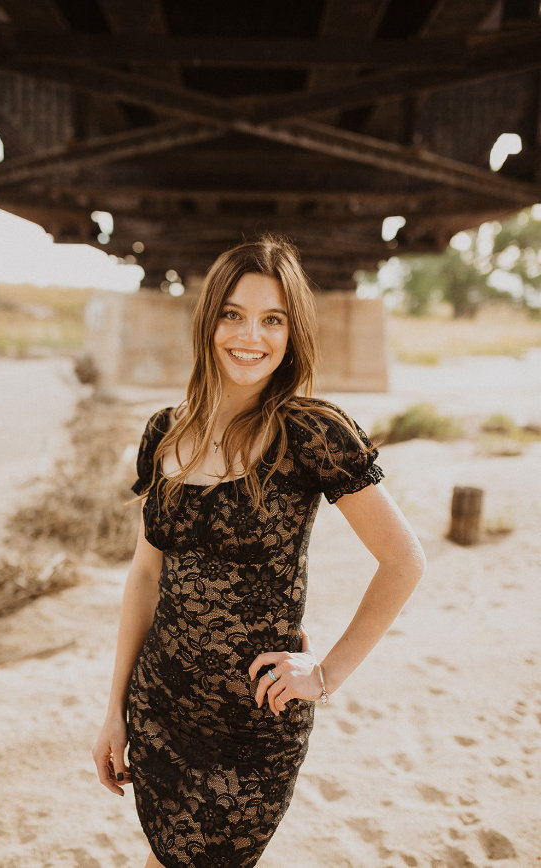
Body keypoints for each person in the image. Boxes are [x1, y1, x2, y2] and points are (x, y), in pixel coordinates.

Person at [92, 234, 426, 868]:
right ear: (208, 320)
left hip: (254, 725)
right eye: (233, 314)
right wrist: (114, 711)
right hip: (160, 706)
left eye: (272, 319)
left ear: (291, 332)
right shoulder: (165, 432)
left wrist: (326, 674)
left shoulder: (312, 434)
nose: (251, 336)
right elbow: (144, 576)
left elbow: (404, 561)